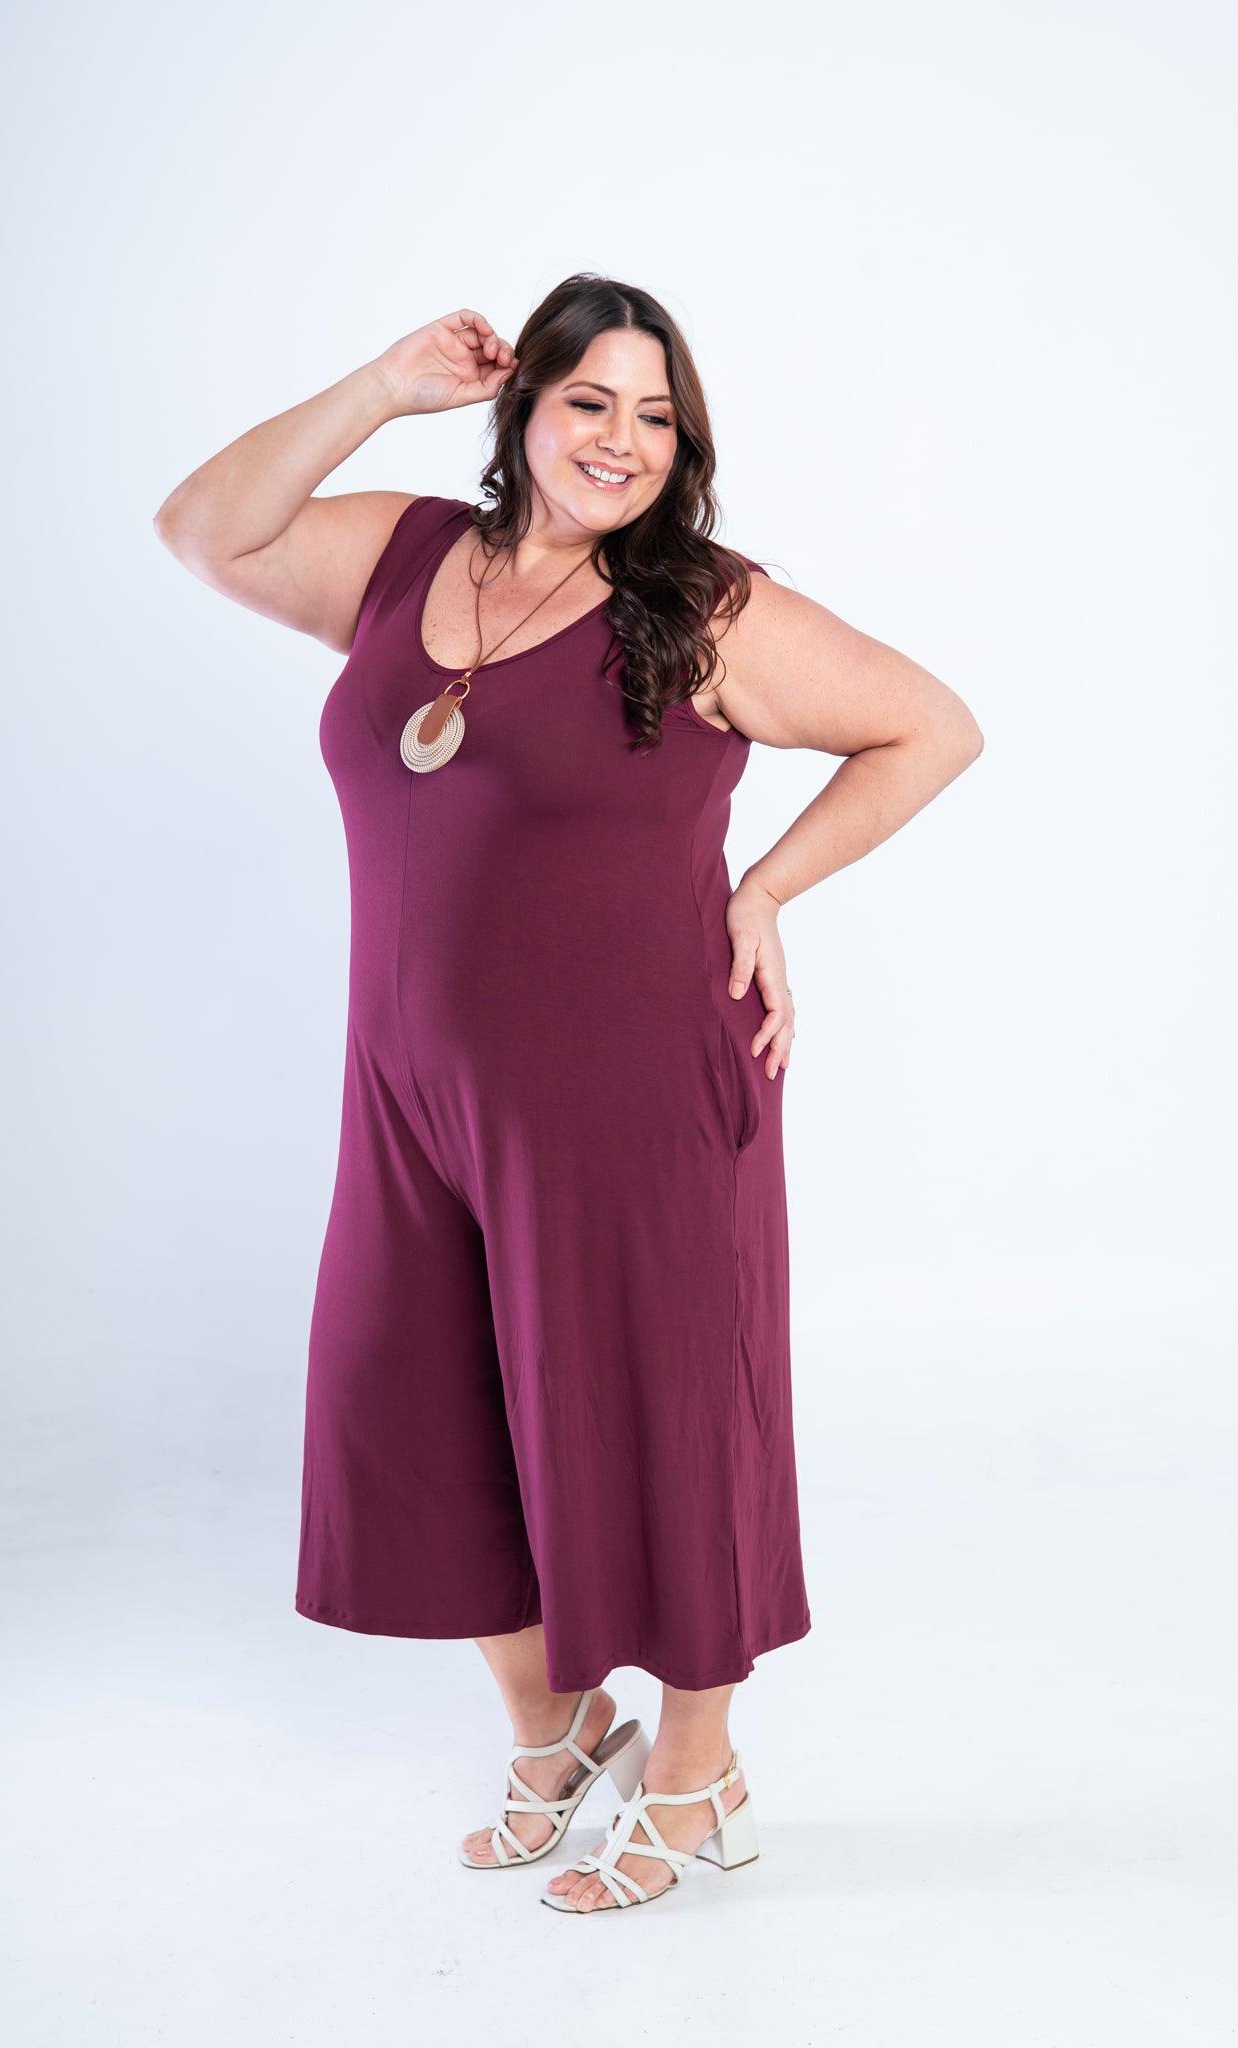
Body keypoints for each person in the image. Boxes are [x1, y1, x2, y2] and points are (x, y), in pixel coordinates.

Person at [154, 273, 984, 1916]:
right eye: (589, 401)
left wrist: (764, 890)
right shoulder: (404, 559)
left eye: (655, 415)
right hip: (408, 1092)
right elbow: (203, 528)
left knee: (661, 1422)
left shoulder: (702, 609)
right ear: (521, 405)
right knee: (414, 1407)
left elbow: (928, 728)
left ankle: (696, 1770)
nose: (621, 439)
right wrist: (381, 383)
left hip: (632, 1088)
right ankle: (556, 1732)